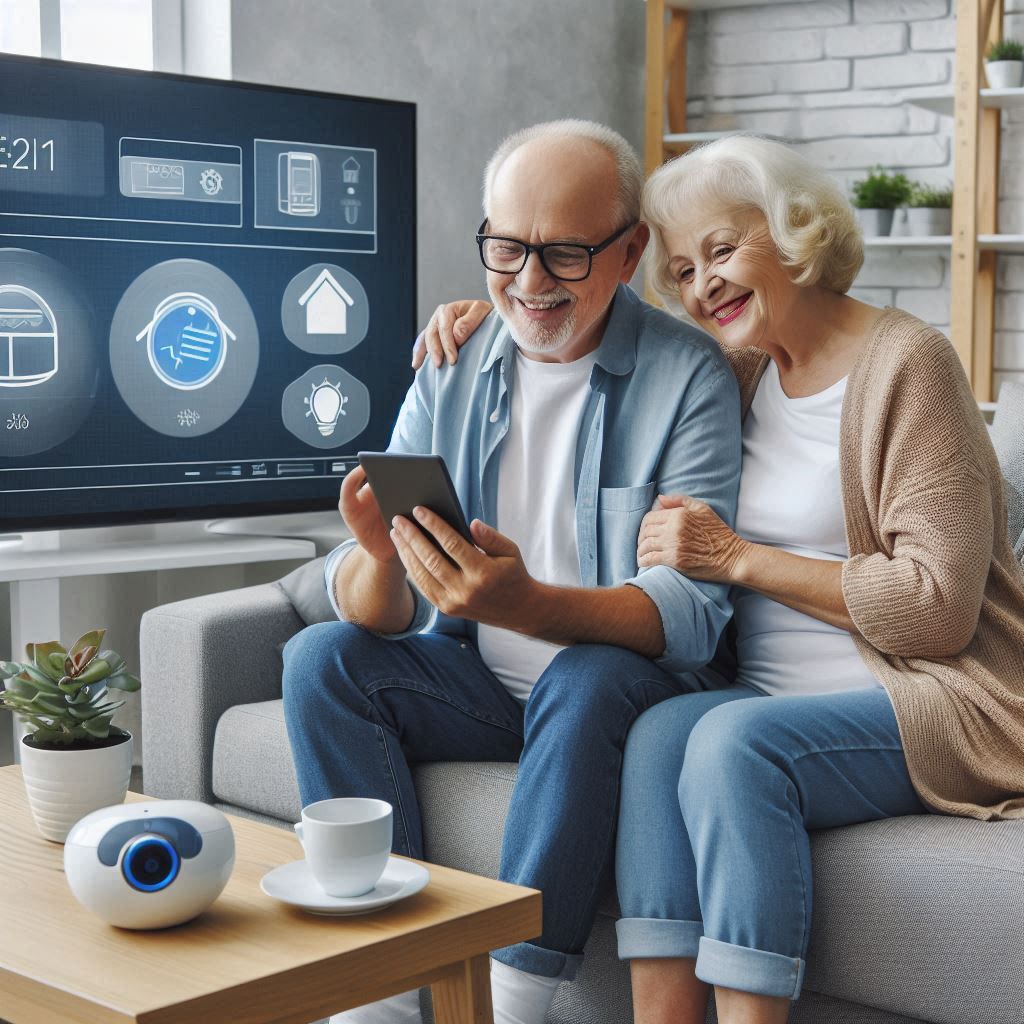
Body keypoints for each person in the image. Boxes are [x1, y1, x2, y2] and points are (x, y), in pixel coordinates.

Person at [414, 133, 1024, 1024]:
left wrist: (738, 560)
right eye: (683, 268)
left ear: (795, 230)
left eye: (724, 250)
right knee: (663, 733)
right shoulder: (738, 371)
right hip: (767, 689)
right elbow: (606, 339)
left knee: (737, 747)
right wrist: (501, 310)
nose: (703, 286)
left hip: (927, 696)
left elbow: (934, 611)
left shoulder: (910, 364)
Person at [281, 119, 743, 1024]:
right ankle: (382, 986)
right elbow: (378, 613)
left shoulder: (690, 378)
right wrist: (380, 556)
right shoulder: (452, 362)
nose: (530, 283)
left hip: (621, 695)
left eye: (566, 254)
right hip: (479, 687)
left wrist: (528, 603)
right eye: (507, 248)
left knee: (587, 671)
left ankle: (513, 994)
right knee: (321, 661)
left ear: (630, 252)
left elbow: (692, 618)